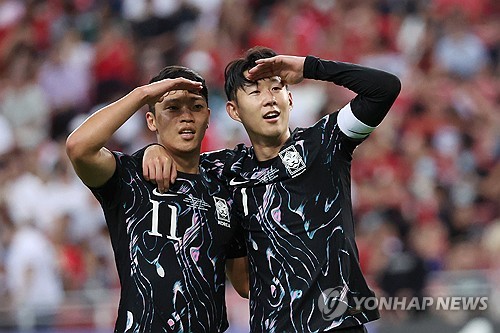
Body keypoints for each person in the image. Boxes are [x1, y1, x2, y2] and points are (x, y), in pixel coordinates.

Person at [142, 47, 401, 332]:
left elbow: (385, 88)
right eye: (255, 92)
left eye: (276, 88)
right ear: (234, 111)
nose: (269, 100)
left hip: (338, 324)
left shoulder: (325, 144)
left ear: (290, 99)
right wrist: (153, 150)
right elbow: (243, 284)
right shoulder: (225, 171)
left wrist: (309, 67)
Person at [65, 65, 249, 332]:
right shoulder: (130, 177)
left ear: (208, 117)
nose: (186, 116)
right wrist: (142, 94)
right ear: (151, 120)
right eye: (173, 108)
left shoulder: (224, 185)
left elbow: (243, 283)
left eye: (196, 107)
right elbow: (78, 147)